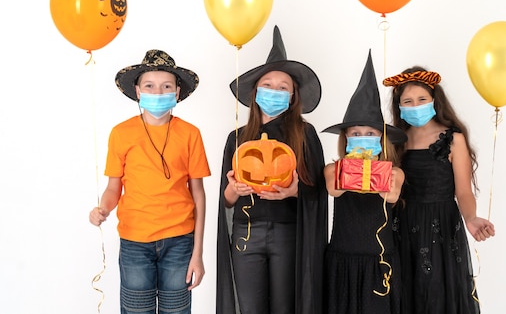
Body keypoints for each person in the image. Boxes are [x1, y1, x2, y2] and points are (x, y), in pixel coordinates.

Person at [88, 50, 210, 314]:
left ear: (177, 92)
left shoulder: (190, 134)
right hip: (134, 242)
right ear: (138, 91)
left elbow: (198, 194)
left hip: (180, 241)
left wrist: (197, 253)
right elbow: (113, 187)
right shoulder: (121, 134)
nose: (158, 92)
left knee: (176, 310)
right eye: (149, 86)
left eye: (166, 86)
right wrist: (104, 209)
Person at [216, 25, 328, 314]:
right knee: (250, 309)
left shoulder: (305, 134)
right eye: (268, 85)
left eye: (283, 88)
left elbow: (318, 190)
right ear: (255, 92)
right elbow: (225, 201)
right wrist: (233, 190)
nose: (274, 92)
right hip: (246, 235)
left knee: (285, 307)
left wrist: (294, 192)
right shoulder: (237, 139)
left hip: (287, 234)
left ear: (292, 96)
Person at [382, 66, 495, 314]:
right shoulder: (393, 140)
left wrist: (471, 218)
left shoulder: (453, 139)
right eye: (408, 101)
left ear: (434, 100)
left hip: (440, 227)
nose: (415, 105)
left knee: (435, 294)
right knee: (404, 291)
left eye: (422, 99)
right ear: (399, 106)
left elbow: (463, 191)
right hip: (401, 224)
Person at [321, 50, 406, 314]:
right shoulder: (332, 169)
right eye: (356, 133)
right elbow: (335, 188)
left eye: (370, 133)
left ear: (381, 139)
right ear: (345, 138)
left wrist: (376, 169)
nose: (363, 137)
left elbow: (390, 196)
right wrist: (355, 165)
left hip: (380, 261)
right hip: (342, 260)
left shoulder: (395, 172)